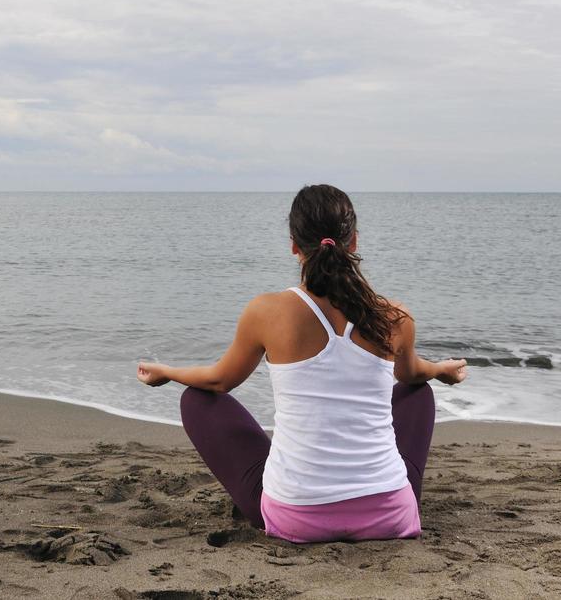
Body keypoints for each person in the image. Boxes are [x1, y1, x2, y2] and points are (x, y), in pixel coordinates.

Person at [135, 184, 468, 543]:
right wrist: (442, 369)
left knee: (196, 398)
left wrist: (167, 372)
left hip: (297, 519)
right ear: (353, 241)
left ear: (294, 245)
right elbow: (412, 374)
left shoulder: (267, 312)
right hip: (388, 518)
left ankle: (297, 498)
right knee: (416, 393)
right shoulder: (393, 316)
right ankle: (378, 497)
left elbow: (218, 381)